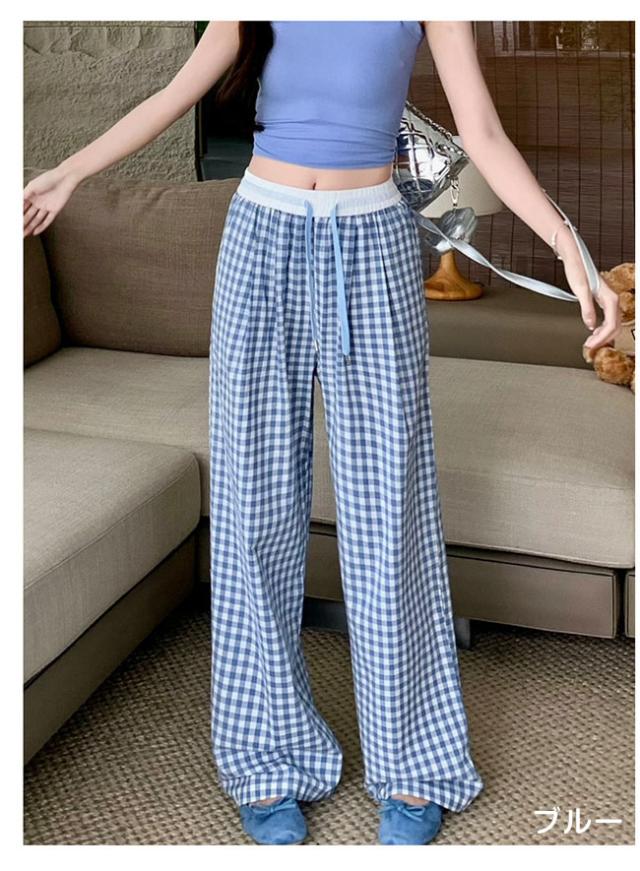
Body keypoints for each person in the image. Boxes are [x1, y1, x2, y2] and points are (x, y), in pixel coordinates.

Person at [23, 20, 621, 847]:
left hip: (373, 243)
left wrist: (570, 249)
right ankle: (267, 758)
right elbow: (172, 94)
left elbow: (481, 132)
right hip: (260, 237)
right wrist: (70, 171)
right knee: (253, 508)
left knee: (390, 512)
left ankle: (415, 763)